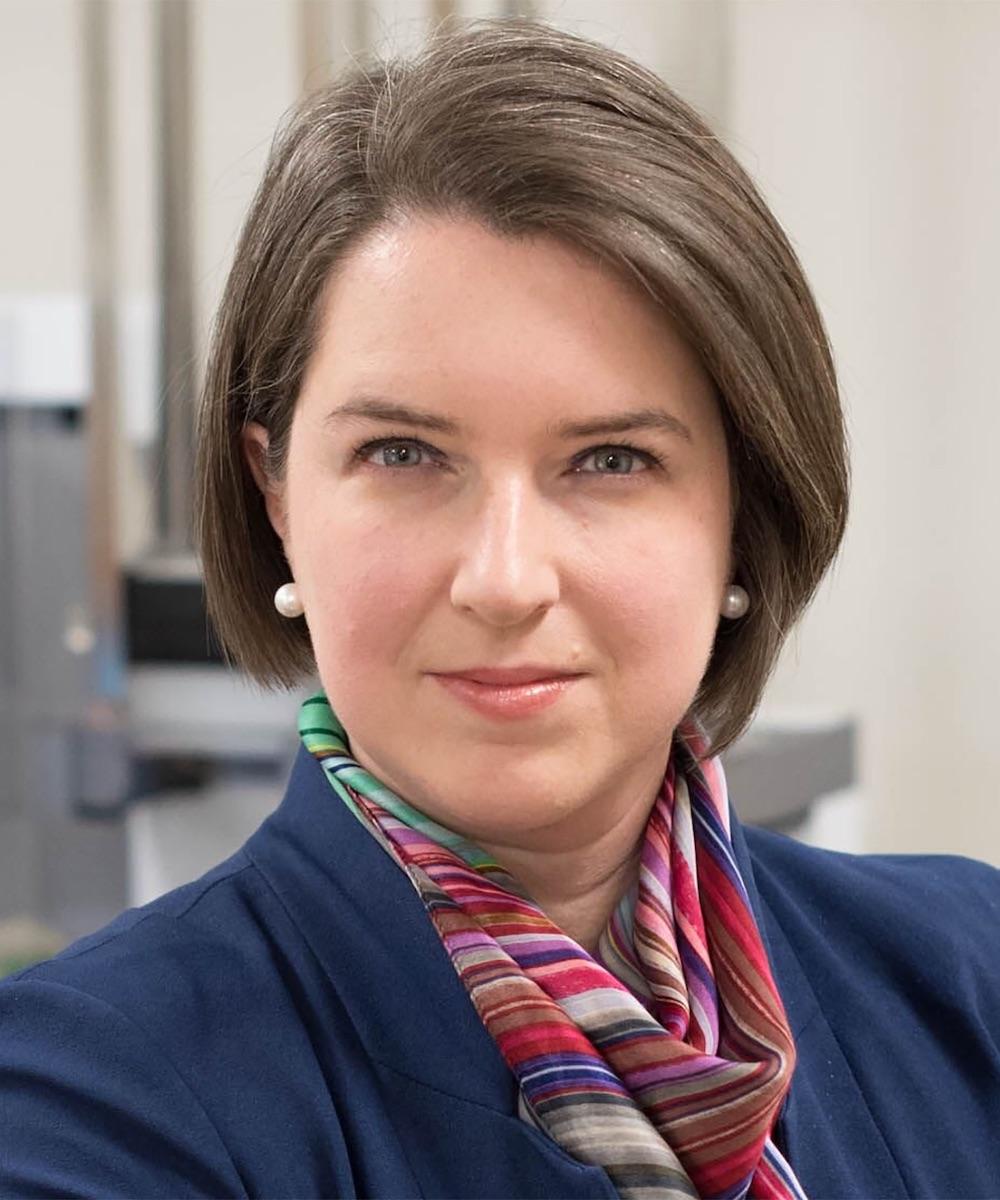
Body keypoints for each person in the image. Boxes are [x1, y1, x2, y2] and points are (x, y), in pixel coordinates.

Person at [1, 15, 998, 1200]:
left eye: (611, 461)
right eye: (403, 454)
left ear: (744, 507)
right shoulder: (82, 1100)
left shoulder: (967, 975)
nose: (505, 578)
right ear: (277, 495)